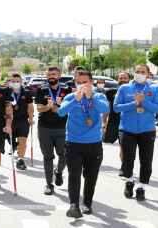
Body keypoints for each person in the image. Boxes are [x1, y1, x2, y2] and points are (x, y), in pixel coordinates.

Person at [58, 70, 109, 218]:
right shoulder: (70, 97)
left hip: (94, 143)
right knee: (74, 175)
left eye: (84, 82)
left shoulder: (99, 96)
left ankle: (87, 203)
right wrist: (76, 99)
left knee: (91, 176)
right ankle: (74, 205)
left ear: (91, 82)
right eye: (78, 82)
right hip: (73, 143)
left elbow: (105, 109)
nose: (81, 85)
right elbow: (61, 112)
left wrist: (90, 97)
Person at [113, 64, 158, 201]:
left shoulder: (154, 89)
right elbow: (116, 108)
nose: (139, 73)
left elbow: (157, 109)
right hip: (127, 130)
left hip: (147, 131)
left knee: (146, 160)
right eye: (137, 71)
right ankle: (129, 181)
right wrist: (135, 103)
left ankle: (141, 187)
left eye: (142, 72)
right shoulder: (124, 88)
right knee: (127, 159)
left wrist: (143, 101)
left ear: (148, 74)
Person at [35, 66, 72, 195]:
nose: (52, 76)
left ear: (59, 75)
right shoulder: (41, 89)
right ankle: (49, 184)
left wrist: (61, 105)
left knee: (65, 154)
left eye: (54, 74)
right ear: (46, 76)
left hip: (62, 127)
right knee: (48, 157)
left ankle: (59, 172)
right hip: (45, 128)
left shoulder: (67, 90)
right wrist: (48, 106)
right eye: (49, 74)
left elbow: (70, 108)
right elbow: (39, 108)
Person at [103, 72, 131, 177]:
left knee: (123, 147)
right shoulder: (111, 92)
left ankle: (124, 167)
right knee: (105, 142)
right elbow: (107, 108)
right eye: (120, 78)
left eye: (125, 78)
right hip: (113, 123)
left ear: (129, 79)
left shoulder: (133, 92)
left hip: (126, 123)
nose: (122, 79)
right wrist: (104, 122)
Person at [8, 73, 34, 170]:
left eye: (17, 81)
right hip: (9, 121)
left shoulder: (26, 92)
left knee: (23, 140)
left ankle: (20, 159)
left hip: (23, 120)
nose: (15, 83)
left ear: (21, 81)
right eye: (13, 81)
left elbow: (30, 107)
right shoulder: (7, 92)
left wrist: (31, 119)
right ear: (10, 82)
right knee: (9, 137)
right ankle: (13, 145)